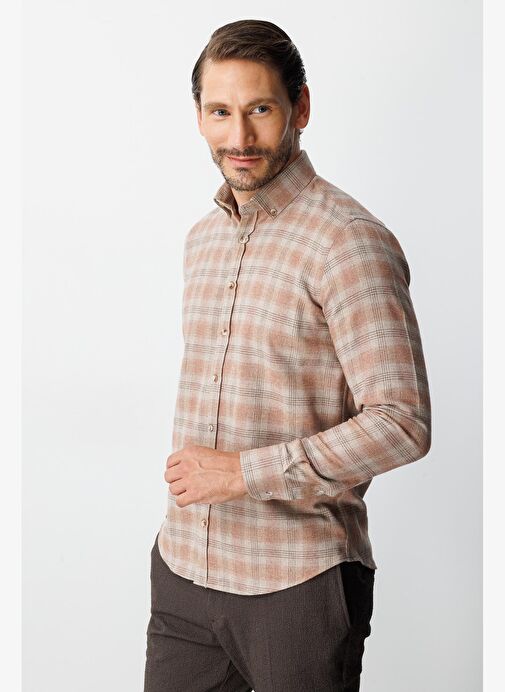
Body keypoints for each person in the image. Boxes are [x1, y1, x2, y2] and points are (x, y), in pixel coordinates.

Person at [143, 18, 432, 692]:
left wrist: (243, 473)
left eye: (260, 110)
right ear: (199, 117)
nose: (239, 138)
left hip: (297, 584)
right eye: (221, 112)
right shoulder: (202, 240)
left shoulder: (347, 240)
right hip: (184, 571)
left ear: (300, 108)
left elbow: (402, 423)